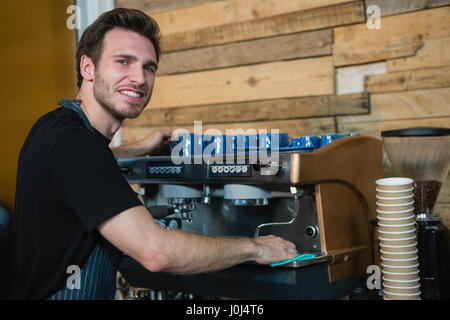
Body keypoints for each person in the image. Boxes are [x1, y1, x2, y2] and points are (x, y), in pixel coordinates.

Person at [8, 8, 297, 300]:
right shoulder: (77, 145)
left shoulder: (55, 126)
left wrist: (136, 148)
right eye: (123, 61)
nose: (139, 78)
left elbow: (83, 168)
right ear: (88, 68)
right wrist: (257, 248)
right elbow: (156, 253)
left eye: (149, 67)